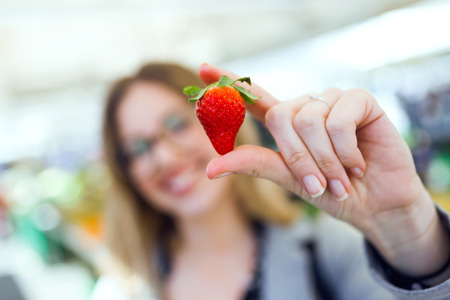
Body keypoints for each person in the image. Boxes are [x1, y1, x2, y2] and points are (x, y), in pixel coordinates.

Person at [90, 62, 450, 300]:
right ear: (125, 173)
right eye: (138, 148)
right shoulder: (123, 290)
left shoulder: (329, 250)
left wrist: (406, 229)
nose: (164, 158)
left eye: (177, 125)